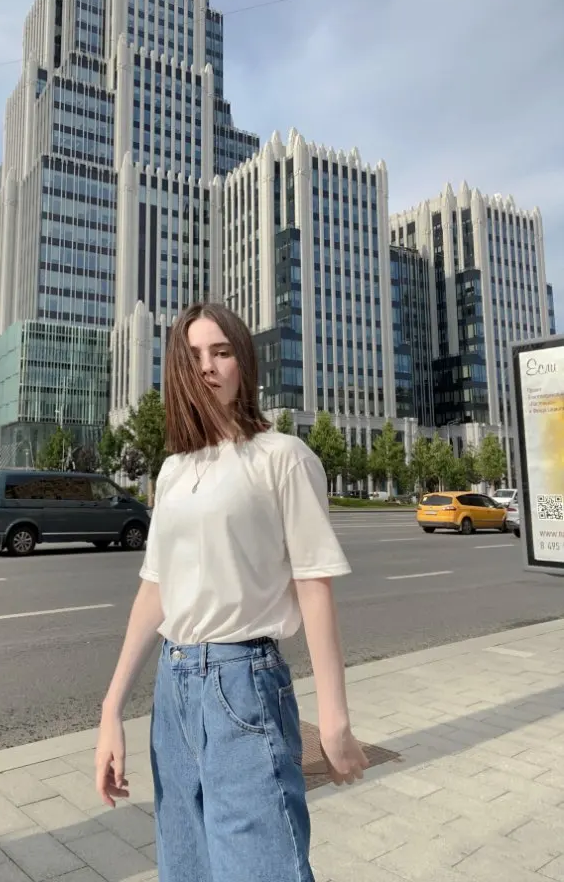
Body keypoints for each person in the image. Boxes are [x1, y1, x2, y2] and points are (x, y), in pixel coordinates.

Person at [95, 302, 368, 881]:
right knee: (184, 868)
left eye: (221, 352)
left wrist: (334, 720)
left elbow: (314, 585)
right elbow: (155, 590)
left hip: (242, 684)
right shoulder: (173, 469)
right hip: (173, 689)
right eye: (194, 356)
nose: (208, 367)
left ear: (243, 362)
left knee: (260, 867)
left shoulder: (282, 457)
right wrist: (111, 709)